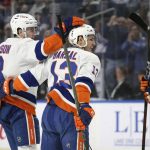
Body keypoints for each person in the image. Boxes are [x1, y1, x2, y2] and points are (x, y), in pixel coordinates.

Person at [3, 24, 101, 150]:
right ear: (80, 39)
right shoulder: (91, 58)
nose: (94, 43)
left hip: (49, 114)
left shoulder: (55, 54)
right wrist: (84, 106)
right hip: (70, 112)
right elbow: (82, 84)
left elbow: (33, 76)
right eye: (91, 39)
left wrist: (12, 85)